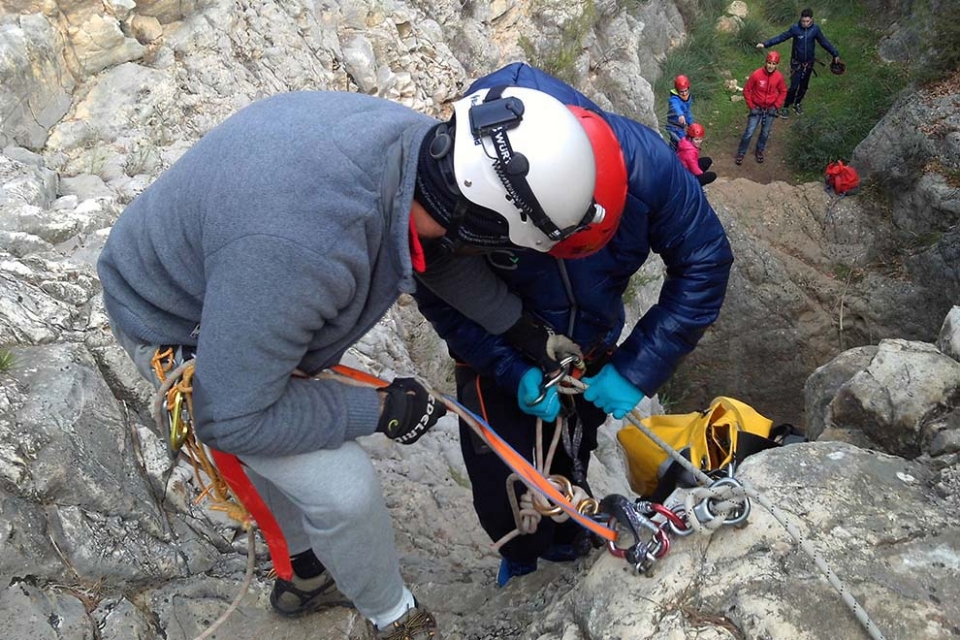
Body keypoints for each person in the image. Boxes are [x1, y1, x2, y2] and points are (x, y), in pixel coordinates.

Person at [97, 86, 613, 639]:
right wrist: (380, 410)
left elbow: (432, 250)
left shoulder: (423, 152)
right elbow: (231, 415)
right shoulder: (303, 249)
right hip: (176, 319)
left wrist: (526, 332)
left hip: (237, 288)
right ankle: (393, 617)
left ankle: (304, 569)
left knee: (278, 435)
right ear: (474, 219)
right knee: (344, 489)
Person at [414, 63, 733, 587]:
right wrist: (506, 366)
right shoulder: (466, 190)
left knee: (574, 449)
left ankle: (568, 540)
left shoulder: (645, 167)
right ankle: (519, 554)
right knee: (499, 470)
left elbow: (705, 260)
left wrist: (637, 367)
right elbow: (440, 293)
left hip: (589, 350)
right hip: (496, 351)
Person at [756, 7, 841, 117]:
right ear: (800, 19)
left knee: (804, 86)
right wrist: (765, 44)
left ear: (811, 20)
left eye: (807, 21)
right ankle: (786, 106)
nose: (805, 23)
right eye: (803, 21)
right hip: (797, 64)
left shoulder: (815, 30)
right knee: (794, 86)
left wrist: (835, 53)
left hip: (809, 63)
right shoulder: (795, 29)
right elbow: (781, 37)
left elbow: (824, 42)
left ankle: (797, 103)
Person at [736, 51, 787, 165]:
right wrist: (751, 106)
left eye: (774, 64)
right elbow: (747, 90)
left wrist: (776, 105)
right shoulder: (757, 75)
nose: (771, 66)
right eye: (769, 63)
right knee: (749, 131)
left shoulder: (778, 77)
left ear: (777, 65)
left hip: (770, 108)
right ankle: (741, 152)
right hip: (757, 107)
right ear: (766, 62)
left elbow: (783, 90)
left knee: (765, 132)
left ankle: (760, 150)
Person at [665, 74, 695, 149]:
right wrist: (680, 115)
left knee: (676, 145)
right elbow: (676, 106)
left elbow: (687, 112)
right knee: (682, 144)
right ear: (677, 90)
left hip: (680, 127)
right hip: (673, 127)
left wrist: (691, 124)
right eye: (681, 92)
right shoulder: (674, 99)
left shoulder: (688, 97)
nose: (684, 93)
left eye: (686, 91)